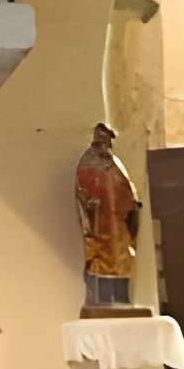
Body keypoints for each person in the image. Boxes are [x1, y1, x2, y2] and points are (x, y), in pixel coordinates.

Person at [75, 123, 141, 308]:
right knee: (100, 260)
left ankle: (122, 297)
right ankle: (101, 298)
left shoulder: (115, 163)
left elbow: (126, 187)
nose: (105, 144)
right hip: (100, 222)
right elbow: (82, 191)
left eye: (108, 140)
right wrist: (91, 205)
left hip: (118, 223)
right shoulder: (87, 162)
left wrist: (133, 205)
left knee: (123, 259)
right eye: (102, 139)